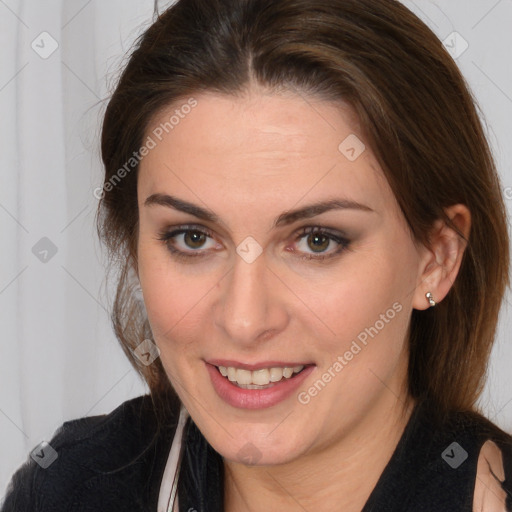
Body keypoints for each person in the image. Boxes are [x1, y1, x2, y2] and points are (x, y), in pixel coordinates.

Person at [2, 0, 512, 510]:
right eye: (192, 238)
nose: (244, 320)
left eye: (317, 240)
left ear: (437, 258)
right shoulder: (64, 490)